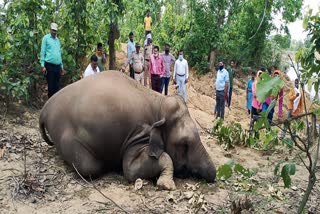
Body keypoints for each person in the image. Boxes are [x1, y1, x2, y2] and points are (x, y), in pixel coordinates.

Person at [40, 22, 64, 98]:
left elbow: (59, 53)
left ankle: (56, 106)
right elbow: (42, 52)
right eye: (53, 30)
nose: (54, 32)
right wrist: (42, 65)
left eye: (55, 31)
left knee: (57, 87)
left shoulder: (57, 40)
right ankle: (50, 106)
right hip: (49, 66)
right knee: (51, 86)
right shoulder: (46, 38)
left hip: (57, 66)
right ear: (50, 29)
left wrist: (62, 66)